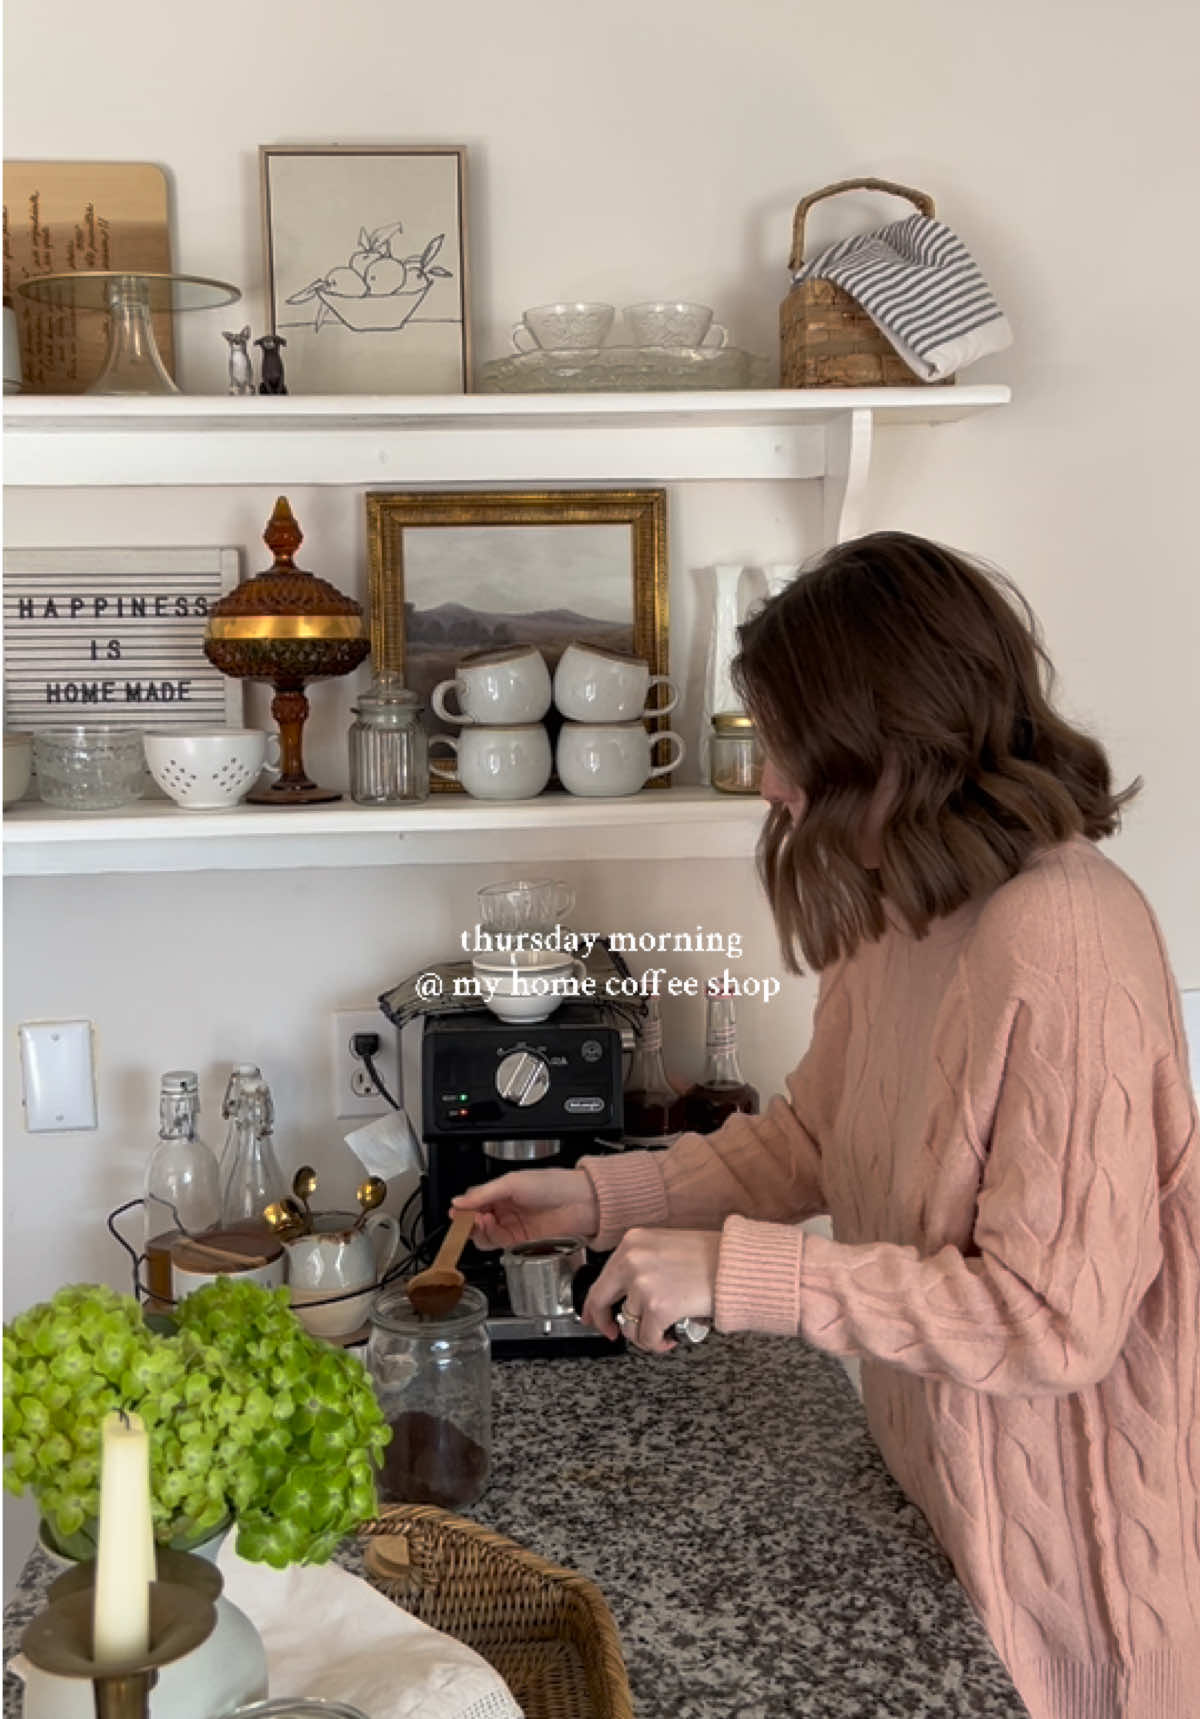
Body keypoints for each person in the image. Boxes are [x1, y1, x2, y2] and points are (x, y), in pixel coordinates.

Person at [451, 531, 1200, 1719]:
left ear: (882, 731)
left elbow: (1053, 1325)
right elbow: (811, 1141)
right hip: (932, 1496)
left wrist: (748, 1276)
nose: (767, 782)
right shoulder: (899, 900)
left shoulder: (1065, 939)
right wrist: (598, 1197)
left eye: (783, 741)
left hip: (1068, 1577)